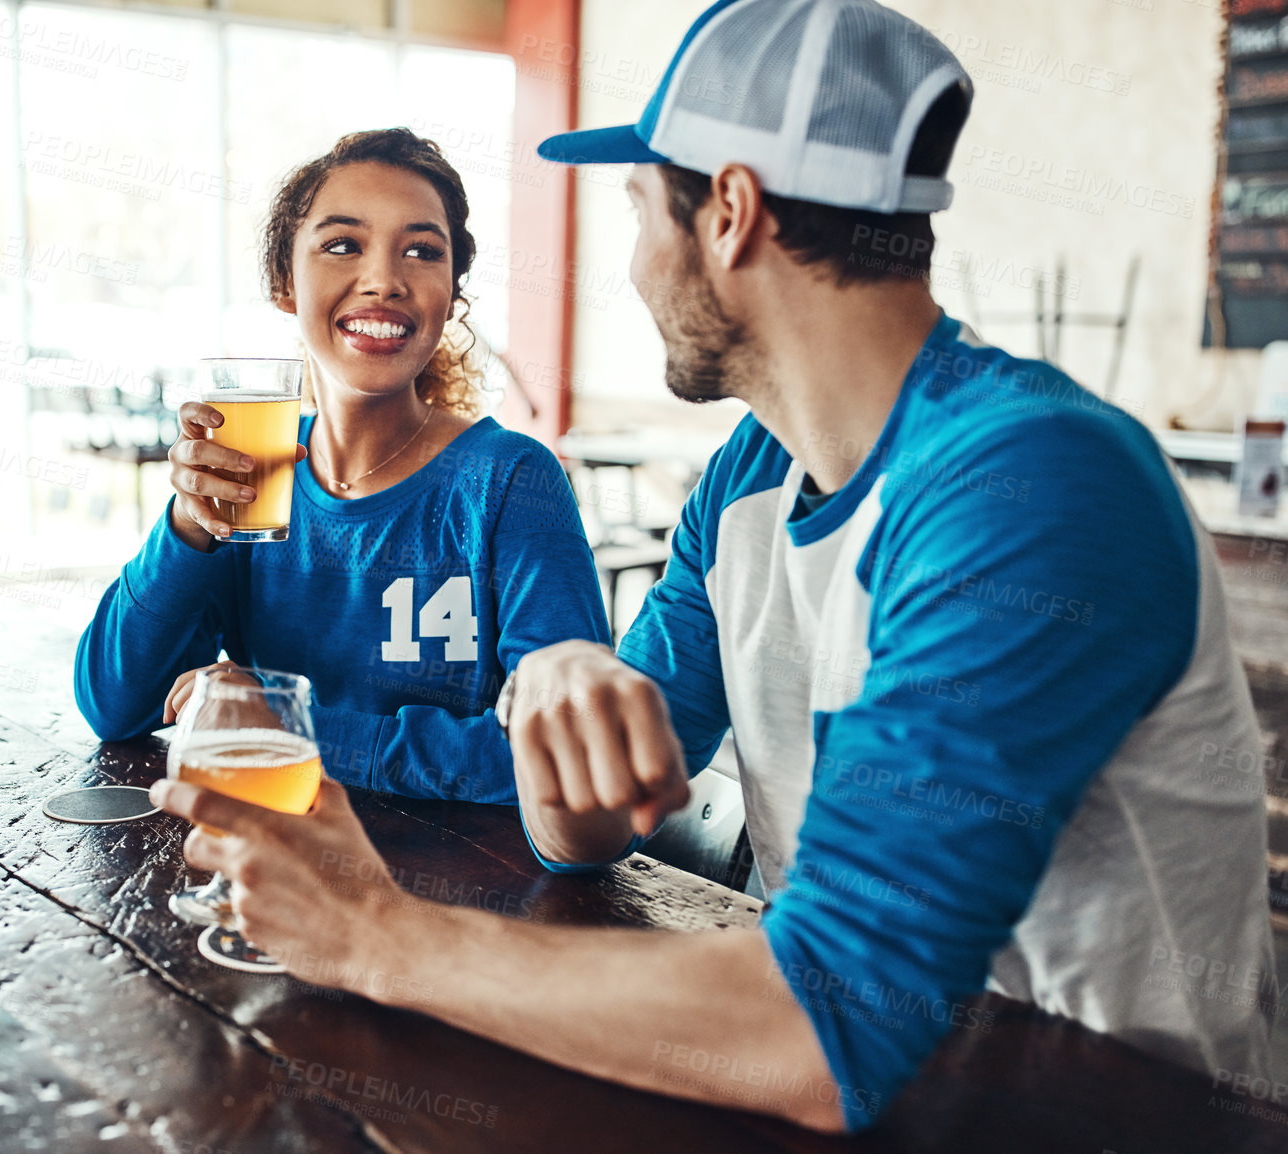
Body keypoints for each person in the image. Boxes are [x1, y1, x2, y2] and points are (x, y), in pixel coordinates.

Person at [150, 0, 1277, 1134]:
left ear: (729, 212)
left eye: (641, 209)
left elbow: (824, 1024)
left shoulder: (1033, 483)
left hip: (1101, 1115)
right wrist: (556, 704)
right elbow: (587, 829)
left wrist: (374, 933)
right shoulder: (752, 469)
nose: (635, 263)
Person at [75, 128, 609, 804]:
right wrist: (186, 532)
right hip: (266, 866)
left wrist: (296, 731)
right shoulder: (255, 470)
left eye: (422, 251)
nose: (385, 279)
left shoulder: (509, 481)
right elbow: (114, 706)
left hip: (458, 894)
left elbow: (568, 755)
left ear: (452, 291)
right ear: (283, 282)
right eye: (341, 245)